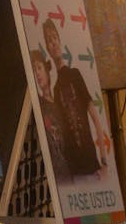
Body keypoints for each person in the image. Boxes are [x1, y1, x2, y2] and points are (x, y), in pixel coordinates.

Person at [43, 18, 106, 177]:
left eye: (54, 38)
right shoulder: (56, 90)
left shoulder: (75, 75)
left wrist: (103, 160)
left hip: (92, 165)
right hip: (74, 170)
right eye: (49, 40)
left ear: (60, 39)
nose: (53, 43)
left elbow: (95, 118)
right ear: (47, 48)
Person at [31, 49, 72, 182]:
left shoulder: (60, 100)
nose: (37, 73)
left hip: (70, 169)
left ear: (47, 68)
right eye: (33, 70)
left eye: (39, 67)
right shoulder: (39, 105)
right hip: (55, 174)